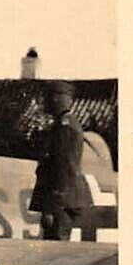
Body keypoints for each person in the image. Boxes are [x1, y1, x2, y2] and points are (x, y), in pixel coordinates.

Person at [29, 81, 90, 240]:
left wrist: (50, 207)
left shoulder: (65, 127)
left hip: (59, 203)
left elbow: (62, 169)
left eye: (48, 97)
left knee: (56, 245)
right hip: (63, 202)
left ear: (56, 99)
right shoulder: (65, 124)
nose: (45, 102)